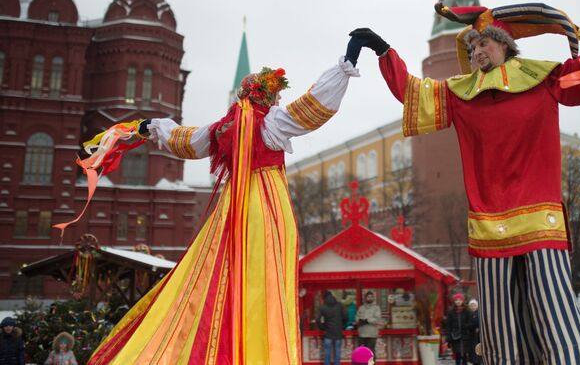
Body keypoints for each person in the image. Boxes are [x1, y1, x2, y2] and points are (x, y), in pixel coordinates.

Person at [348, 0, 580, 364]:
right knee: (497, 325)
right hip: (488, 227)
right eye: (472, 45)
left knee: (554, 310)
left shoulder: (544, 78)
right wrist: (384, 51)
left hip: (540, 221)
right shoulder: (460, 94)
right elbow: (413, 93)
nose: (476, 51)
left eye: (483, 43)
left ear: (505, 45)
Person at [85, 55, 359, 364]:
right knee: (263, 281)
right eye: (275, 94)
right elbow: (311, 108)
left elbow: (186, 141)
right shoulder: (270, 122)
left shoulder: (224, 127)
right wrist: (345, 64)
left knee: (215, 276)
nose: (279, 99)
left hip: (232, 207)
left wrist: (150, 127)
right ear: (263, 94)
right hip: (266, 208)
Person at [443, 293, 474, 365]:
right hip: (455, 336)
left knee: (465, 355)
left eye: (460, 300)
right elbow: (448, 325)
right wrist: (448, 337)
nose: (458, 301)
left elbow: (471, 323)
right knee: (458, 354)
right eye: (456, 300)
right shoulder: (451, 312)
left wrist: (466, 326)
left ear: (463, 301)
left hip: (465, 336)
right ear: (454, 301)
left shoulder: (467, 311)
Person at [319, 291, 346, 365]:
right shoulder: (339, 305)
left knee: (327, 352)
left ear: (324, 298)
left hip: (328, 333)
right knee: (337, 352)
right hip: (338, 333)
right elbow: (345, 317)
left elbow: (318, 320)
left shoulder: (322, 307)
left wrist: (323, 327)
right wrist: (342, 326)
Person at [355, 291, 381, 357]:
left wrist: (367, 320)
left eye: (371, 297)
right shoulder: (361, 308)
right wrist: (359, 320)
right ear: (365, 298)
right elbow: (356, 317)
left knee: (371, 352)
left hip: (372, 334)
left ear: (373, 298)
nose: (370, 298)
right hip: (362, 333)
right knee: (362, 352)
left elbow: (377, 319)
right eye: (368, 297)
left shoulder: (376, 308)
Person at [466, 299, 482, 365]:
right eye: (471, 305)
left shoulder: (479, 314)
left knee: (477, 351)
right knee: (473, 352)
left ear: (477, 306)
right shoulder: (468, 314)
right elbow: (467, 325)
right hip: (471, 336)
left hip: (478, 337)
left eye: (474, 305)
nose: (473, 307)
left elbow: (478, 323)